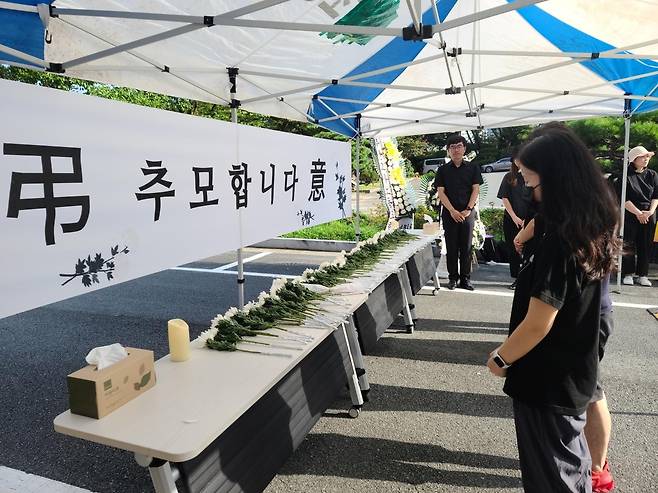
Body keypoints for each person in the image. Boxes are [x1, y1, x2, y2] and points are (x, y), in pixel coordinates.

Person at [486, 125, 621, 493]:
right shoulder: (586, 222)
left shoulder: (562, 240)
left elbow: (538, 323)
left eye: (532, 181)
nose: (530, 190)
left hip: (546, 379)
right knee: (566, 465)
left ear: (556, 180)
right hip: (568, 372)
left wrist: (501, 359)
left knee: (554, 475)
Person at [433, 134, 483, 290]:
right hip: (450, 213)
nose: (456, 150)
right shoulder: (442, 170)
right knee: (452, 247)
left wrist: (468, 209)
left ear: (464, 149)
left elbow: (476, 189)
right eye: (452, 147)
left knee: (466, 247)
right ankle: (452, 278)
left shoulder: (473, 168)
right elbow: (441, 192)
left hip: (468, 213)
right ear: (448, 150)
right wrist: (453, 211)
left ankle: (466, 279)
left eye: (459, 146)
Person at [619, 145, 657, 287]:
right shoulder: (625, 175)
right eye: (643, 156)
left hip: (649, 213)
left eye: (648, 156)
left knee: (646, 244)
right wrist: (638, 213)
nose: (646, 159)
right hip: (630, 213)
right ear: (634, 159)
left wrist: (650, 212)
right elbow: (623, 198)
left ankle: (643, 275)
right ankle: (627, 273)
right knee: (628, 243)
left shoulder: (653, 175)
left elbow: (656, 196)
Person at [497, 148, 533, 289]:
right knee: (513, 249)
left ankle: (525, 279)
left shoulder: (531, 176)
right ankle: (517, 278)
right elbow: (504, 198)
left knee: (527, 249)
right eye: (516, 159)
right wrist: (514, 217)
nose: (519, 162)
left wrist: (527, 219)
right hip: (511, 219)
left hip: (529, 220)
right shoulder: (509, 177)